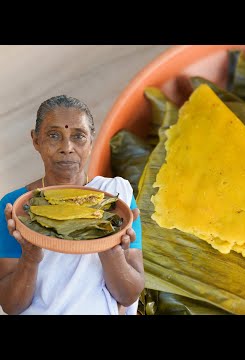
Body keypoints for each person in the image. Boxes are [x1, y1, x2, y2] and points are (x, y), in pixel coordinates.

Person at [0, 95, 145, 315]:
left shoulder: (117, 201)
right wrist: (30, 257)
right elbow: (11, 306)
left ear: (91, 141)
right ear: (36, 140)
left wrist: (110, 249)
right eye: (54, 135)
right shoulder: (16, 209)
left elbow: (128, 295)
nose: (67, 147)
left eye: (78, 136)